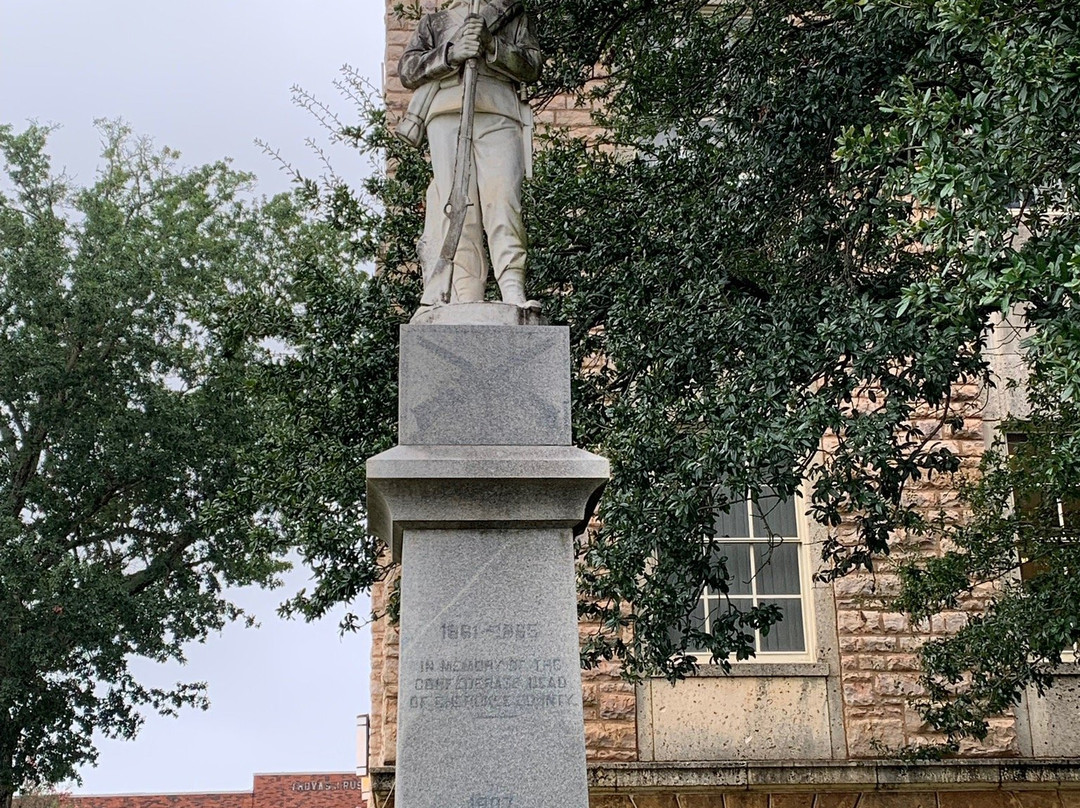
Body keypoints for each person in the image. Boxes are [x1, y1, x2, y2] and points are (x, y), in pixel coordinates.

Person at [398, 0, 541, 310]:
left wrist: (493, 46)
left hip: (499, 110)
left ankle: (512, 287)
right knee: (457, 207)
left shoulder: (511, 13)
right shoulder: (435, 22)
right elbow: (408, 70)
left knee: (503, 200)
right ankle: (467, 296)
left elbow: (532, 65)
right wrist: (451, 53)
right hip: (446, 113)